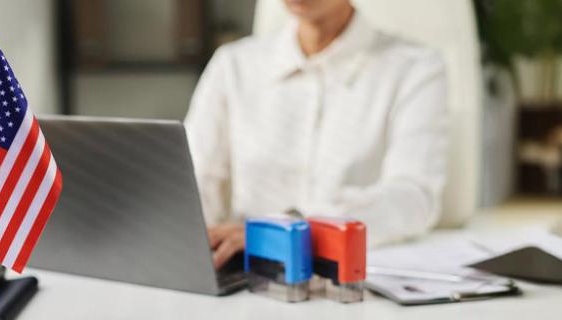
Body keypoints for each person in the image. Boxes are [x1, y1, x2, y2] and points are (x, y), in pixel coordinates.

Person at [185, 0, 449, 268]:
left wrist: (296, 229)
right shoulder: (233, 65)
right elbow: (195, 183)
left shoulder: (415, 67)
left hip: (352, 277)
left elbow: (414, 197)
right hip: (246, 272)